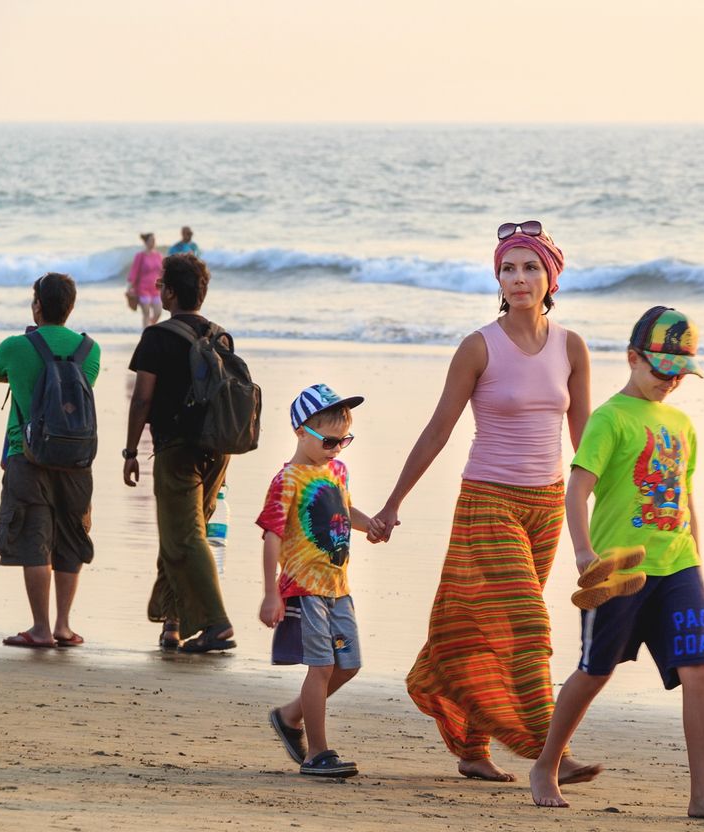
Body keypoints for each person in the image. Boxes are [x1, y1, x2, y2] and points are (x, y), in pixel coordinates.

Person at [369, 221, 599, 786]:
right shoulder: (478, 346)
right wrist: (393, 503)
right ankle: (549, 749)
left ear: (551, 277)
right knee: (526, 622)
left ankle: (473, 749)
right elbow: (437, 430)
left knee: (487, 628)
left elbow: (586, 439)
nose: (518, 278)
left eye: (530, 268)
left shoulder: (572, 346)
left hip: (545, 506)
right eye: (507, 268)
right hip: (487, 501)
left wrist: (615, 503)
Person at [529, 306, 704, 822]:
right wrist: (584, 553)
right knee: (595, 670)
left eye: (679, 374)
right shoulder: (609, 418)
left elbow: (685, 497)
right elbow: (577, 489)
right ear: (632, 358)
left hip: (678, 567)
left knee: (699, 670)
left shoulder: (681, 424)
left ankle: (703, 794)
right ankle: (546, 764)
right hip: (620, 571)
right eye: (660, 370)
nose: (670, 382)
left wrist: (699, 572)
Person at [260, 385, 374, 779]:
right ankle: (317, 754)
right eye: (328, 440)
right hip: (304, 588)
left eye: (344, 440)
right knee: (322, 666)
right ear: (300, 432)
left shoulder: (337, 470)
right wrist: (270, 593)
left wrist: (369, 524)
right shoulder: (287, 479)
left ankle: (290, 716)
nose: (337, 448)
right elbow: (272, 535)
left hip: (338, 587)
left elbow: (343, 510)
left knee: (348, 665)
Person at [123, 253, 236, 652]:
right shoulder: (220, 336)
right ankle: (172, 624)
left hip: (177, 449)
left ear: (170, 292)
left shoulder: (156, 337)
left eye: (161, 286)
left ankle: (217, 623)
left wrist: (130, 450)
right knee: (183, 535)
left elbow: (142, 400)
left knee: (184, 537)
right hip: (217, 451)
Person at [0, 273, 101, 648]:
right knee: (70, 537)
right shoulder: (90, 350)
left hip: (28, 454)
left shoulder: (15, 346)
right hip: (75, 457)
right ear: (71, 308)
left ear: (37, 304)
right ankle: (63, 627)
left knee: (34, 536)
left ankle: (39, 628)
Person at [127, 232, 164, 329]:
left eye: (154, 240)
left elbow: (162, 272)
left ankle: (150, 328)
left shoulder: (158, 256)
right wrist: (130, 287)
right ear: (146, 242)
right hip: (143, 289)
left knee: (158, 312)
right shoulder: (140, 256)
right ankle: (145, 334)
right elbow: (134, 271)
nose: (153, 242)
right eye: (151, 241)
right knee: (146, 313)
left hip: (155, 289)